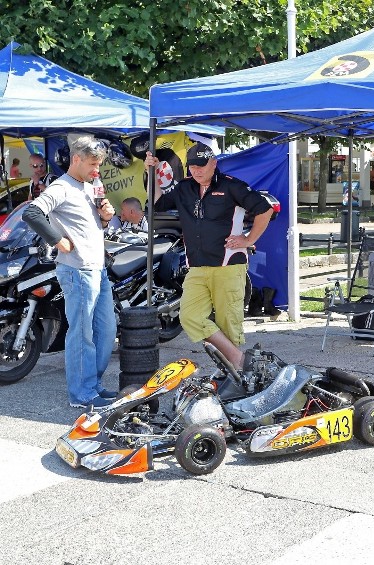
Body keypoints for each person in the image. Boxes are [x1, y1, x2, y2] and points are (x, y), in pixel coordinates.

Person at [144, 142, 273, 369]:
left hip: (228, 265)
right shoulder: (184, 188)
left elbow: (265, 209)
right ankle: (239, 361)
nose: (197, 170)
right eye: (192, 166)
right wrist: (151, 173)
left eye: (201, 165)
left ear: (214, 163)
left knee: (228, 322)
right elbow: (156, 204)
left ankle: (232, 374)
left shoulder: (231, 186)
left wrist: (249, 239)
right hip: (196, 266)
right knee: (189, 316)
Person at [22, 136, 117, 409]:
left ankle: (93, 385)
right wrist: (57, 240)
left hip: (97, 267)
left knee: (106, 330)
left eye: (99, 164)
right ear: (76, 159)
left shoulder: (93, 184)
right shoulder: (61, 187)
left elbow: (96, 222)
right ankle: (82, 394)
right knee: (82, 333)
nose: (97, 170)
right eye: (92, 164)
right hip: (77, 270)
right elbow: (32, 213)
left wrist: (106, 217)